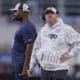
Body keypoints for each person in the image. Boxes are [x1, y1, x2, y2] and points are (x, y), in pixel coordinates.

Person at [28, 7, 80, 80]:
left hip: (59, 68)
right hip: (44, 69)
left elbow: (78, 42)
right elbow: (36, 48)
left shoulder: (66, 29)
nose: (49, 15)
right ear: (44, 16)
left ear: (57, 16)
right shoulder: (43, 30)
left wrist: (70, 54)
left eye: (52, 13)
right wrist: (32, 65)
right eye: (47, 13)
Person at [10, 2, 37, 80]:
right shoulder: (24, 25)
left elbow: (30, 48)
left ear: (23, 12)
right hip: (19, 64)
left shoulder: (27, 27)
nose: (14, 13)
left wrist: (25, 68)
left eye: (16, 11)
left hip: (22, 65)